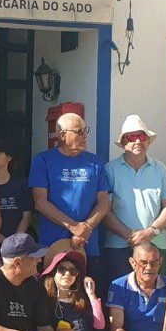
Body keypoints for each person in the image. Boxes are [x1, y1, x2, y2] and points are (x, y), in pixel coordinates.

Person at [101, 115, 166, 293]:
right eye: (131, 137)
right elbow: (105, 210)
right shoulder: (110, 169)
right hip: (119, 247)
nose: (137, 141)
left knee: (155, 297)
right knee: (120, 297)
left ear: (148, 140)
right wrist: (130, 236)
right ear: (123, 142)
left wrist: (151, 232)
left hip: (156, 246)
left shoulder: (160, 168)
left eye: (141, 137)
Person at [28, 112, 110, 268]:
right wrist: (73, 226)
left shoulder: (95, 162)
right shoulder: (43, 160)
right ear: (63, 135)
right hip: (53, 244)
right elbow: (40, 202)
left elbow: (104, 202)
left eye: (86, 130)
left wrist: (85, 228)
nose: (85, 135)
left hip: (88, 244)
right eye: (79, 131)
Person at [0, 138, 33, 243]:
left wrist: (16, 241)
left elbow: (27, 215)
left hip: (19, 242)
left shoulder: (22, 184)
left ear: (9, 157)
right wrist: (5, 242)